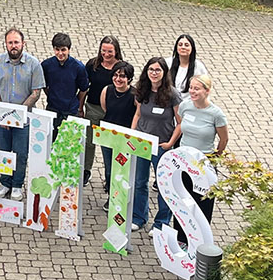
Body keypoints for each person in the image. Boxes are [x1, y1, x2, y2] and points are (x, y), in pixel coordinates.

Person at [0, 28, 45, 199]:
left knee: (20, 153)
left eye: (16, 43)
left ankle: (17, 184)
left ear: (23, 44)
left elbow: (36, 92)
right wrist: (4, 115)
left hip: (24, 120)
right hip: (2, 119)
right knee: (3, 151)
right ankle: (5, 182)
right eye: (10, 43)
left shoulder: (34, 64)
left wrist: (17, 115)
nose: (13, 46)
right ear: (6, 44)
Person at [130, 57, 182, 233]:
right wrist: (133, 134)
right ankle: (139, 217)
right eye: (151, 69)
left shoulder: (172, 95)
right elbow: (138, 114)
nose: (154, 73)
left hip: (162, 145)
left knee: (162, 185)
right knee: (139, 182)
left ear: (164, 73)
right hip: (142, 144)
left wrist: (170, 143)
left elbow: (180, 122)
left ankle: (161, 222)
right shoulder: (142, 91)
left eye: (158, 70)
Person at [175, 72, 228, 222]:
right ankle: (181, 237)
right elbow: (181, 124)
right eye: (191, 88)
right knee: (183, 200)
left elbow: (224, 139)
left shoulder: (216, 114)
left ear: (207, 91)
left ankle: (201, 241)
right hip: (184, 160)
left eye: (197, 88)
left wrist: (214, 157)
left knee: (202, 202)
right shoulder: (185, 106)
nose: (192, 91)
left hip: (204, 162)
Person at [88, 61, 136, 196]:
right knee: (109, 168)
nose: (118, 79)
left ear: (130, 79)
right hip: (108, 136)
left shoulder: (134, 95)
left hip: (125, 138)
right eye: (115, 75)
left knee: (123, 169)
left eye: (122, 76)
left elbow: (137, 114)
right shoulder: (107, 90)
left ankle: (122, 195)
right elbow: (105, 109)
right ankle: (111, 195)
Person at [82, 37, 123, 185]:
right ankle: (86, 170)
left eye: (110, 51)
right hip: (93, 108)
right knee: (89, 141)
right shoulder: (93, 65)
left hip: (113, 112)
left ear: (116, 51)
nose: (106, 54)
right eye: (103, 51)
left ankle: (110, 176)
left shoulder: (121, 68)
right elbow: (84, 88)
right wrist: (81, 107)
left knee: (111, 146)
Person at [41, 33, 89, 145]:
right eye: (57, 49)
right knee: (50, 143)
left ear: (69, 49)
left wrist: (79, 107)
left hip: (71, 111)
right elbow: (43, 85)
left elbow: (83, 89)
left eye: (63, 50)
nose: (60, 53)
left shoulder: (78, 67)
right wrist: (52, 95)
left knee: (69, 146)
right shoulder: (46, 65)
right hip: (53, 109)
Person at [168, 33, 208, 102]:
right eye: (180, 45)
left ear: (192, 48)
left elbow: (205, 87)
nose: (183, 47)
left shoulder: (199, 67)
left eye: (186, 45)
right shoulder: (168, 63)